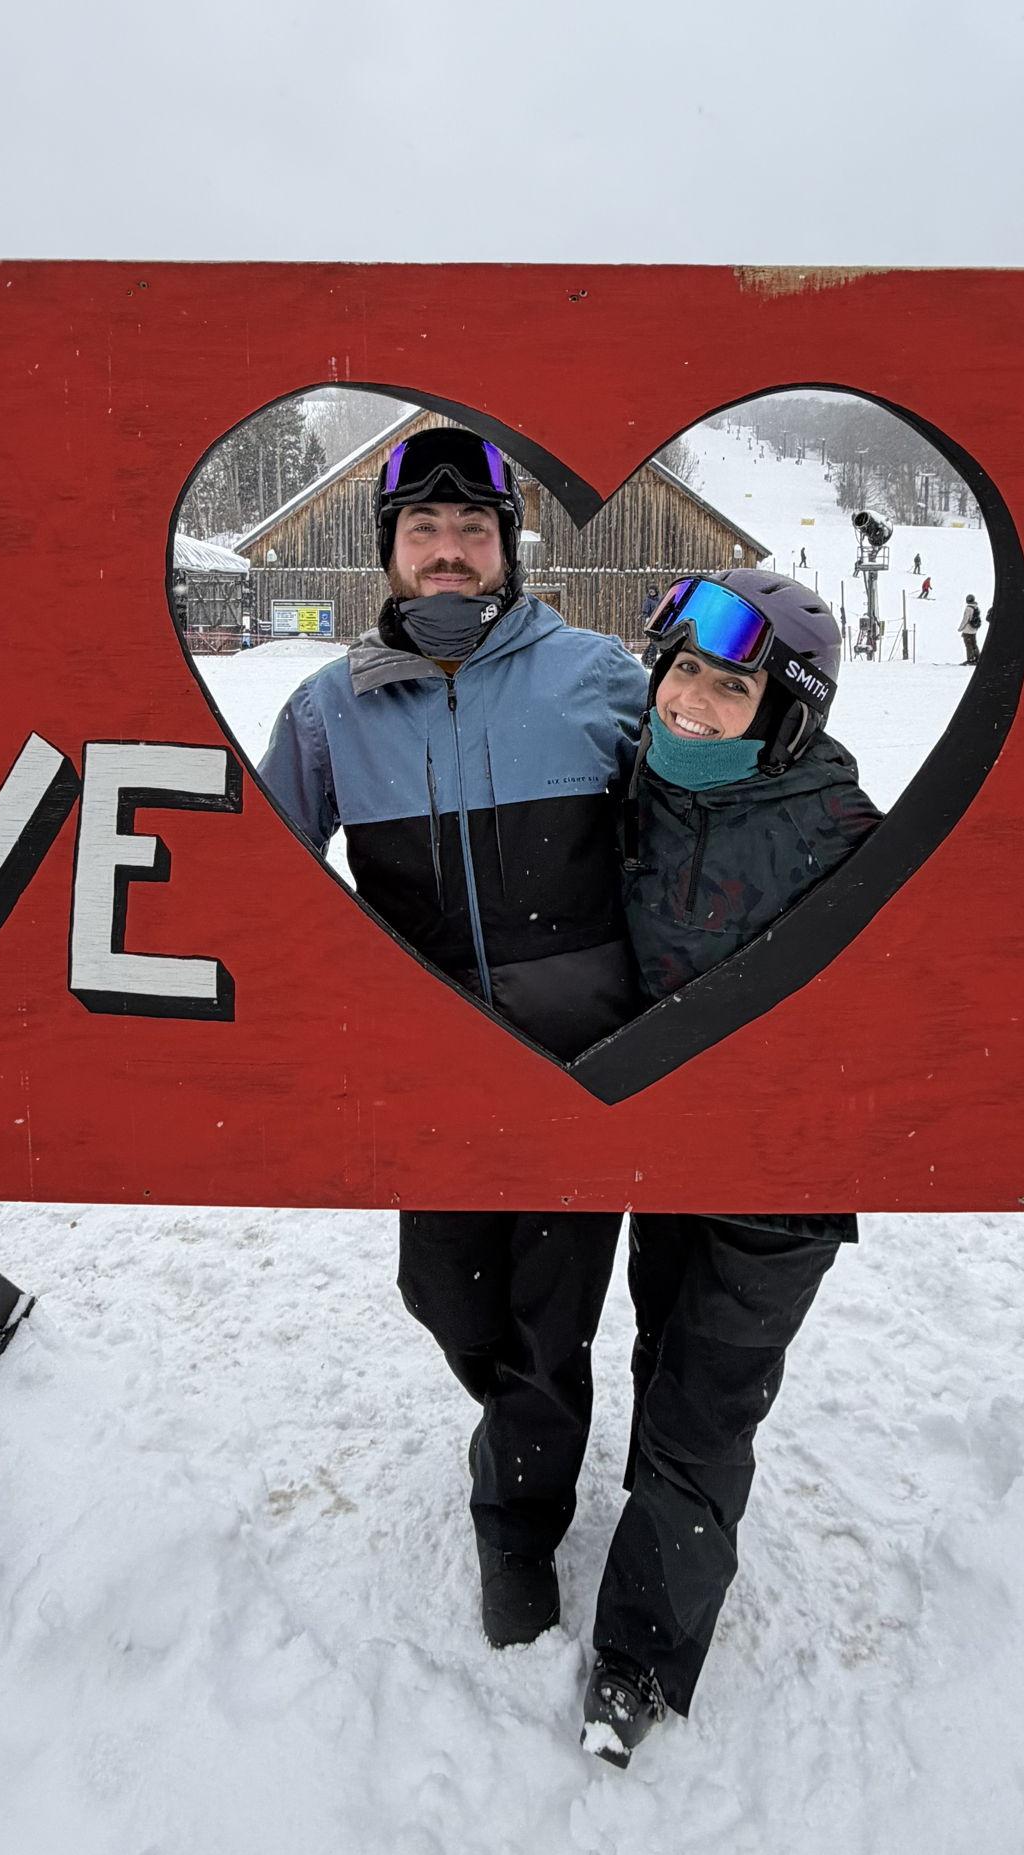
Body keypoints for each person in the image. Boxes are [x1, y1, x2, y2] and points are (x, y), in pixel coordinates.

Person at [260, 426, 648, 1650]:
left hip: (581, 1068)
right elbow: (259, 877)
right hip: (425, 1073)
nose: (447, 552)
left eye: (470, 533)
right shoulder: (330, 708)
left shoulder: (596, 675)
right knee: (444, 1293)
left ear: (504, 550)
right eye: (422, 533)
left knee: (549, 1317)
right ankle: (524, 1427)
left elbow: (697, 820)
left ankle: (517, 1516)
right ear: (388, 553)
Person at [580, 569, 882, 1767]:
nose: (693, 702)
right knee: (665, 1344)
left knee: (709, 1402)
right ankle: (664, 1500)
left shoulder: (841, 830)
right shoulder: (628, 787)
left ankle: (641, 1658)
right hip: (666, 1154)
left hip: (777, 1187)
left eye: (732, 683)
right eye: (684, 670)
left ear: (785, 713)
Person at [958, 591, 983, 665]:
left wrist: (960, 628)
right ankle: (977, 657)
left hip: (968, 630)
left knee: (968, 645)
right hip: (974, 629)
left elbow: (965, 619)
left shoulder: (968, 608)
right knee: (974, 644)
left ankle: (970, 659)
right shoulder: (976, 607)